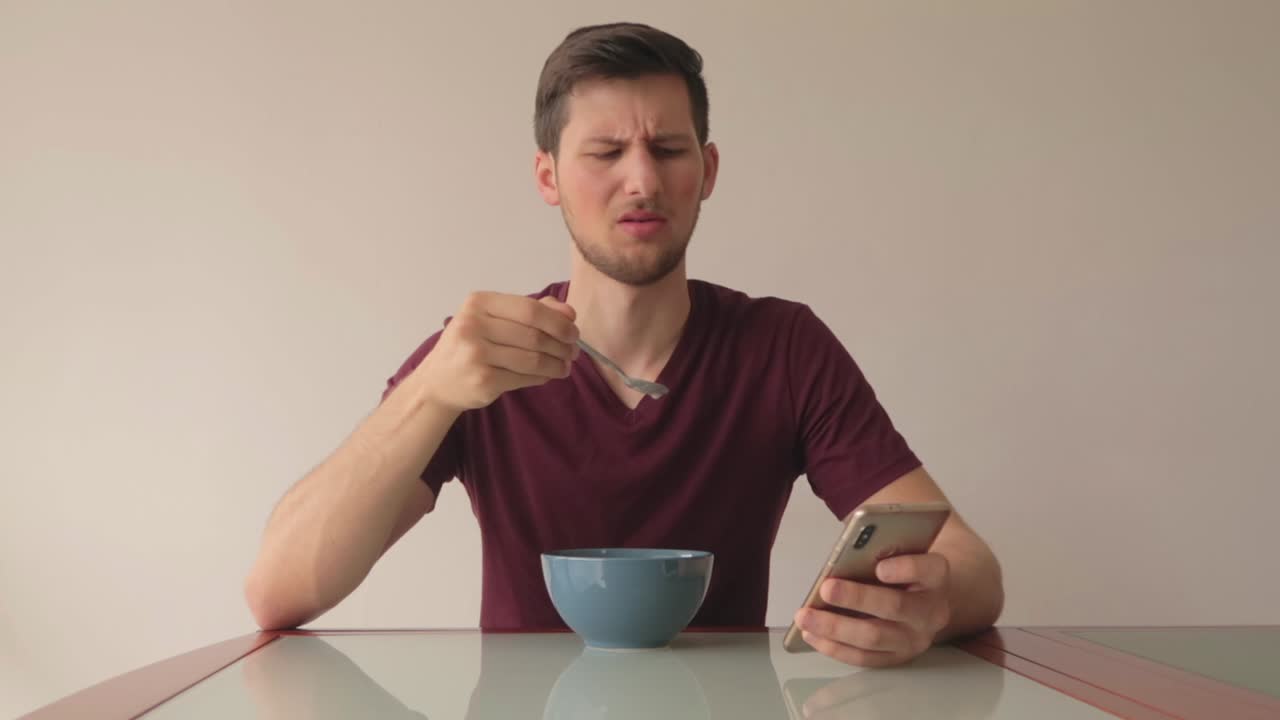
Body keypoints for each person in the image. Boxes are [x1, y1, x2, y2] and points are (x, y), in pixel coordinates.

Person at [244, 21, 1004, 668]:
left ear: (706, 172)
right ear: (548, 176)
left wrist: (931, 610)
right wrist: (430, 392)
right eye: (604, 153)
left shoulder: (783, 346)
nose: (641, 179)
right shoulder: (479, 355)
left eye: (668, 150)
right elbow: (278, 592)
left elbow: (972, 567)